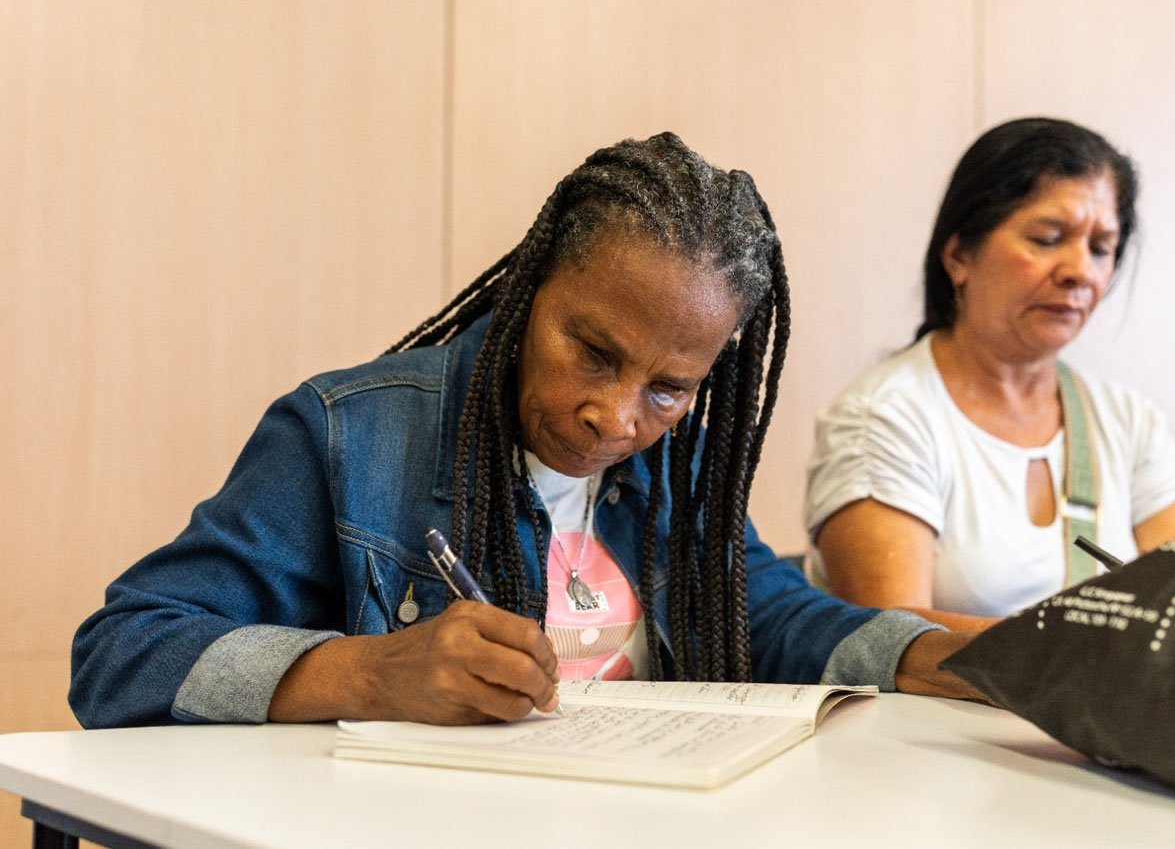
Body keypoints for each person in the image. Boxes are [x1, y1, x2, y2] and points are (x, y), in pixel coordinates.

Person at [70, 132, 979, 729]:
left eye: (668, 389)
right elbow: (121, 654)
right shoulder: (352, 434)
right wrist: (368, 673)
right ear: (529, 288)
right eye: (591, 351)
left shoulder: (677, 461)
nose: (616, 416)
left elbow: (765, 610)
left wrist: (929, 653)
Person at [805, 117, 1175, 631]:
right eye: (1047, 238)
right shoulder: (879, 420)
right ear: (959, 255)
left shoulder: (1130, 421)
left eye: (1100, 249)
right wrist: (1100, 645)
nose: (1080, 270)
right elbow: (895, 646)